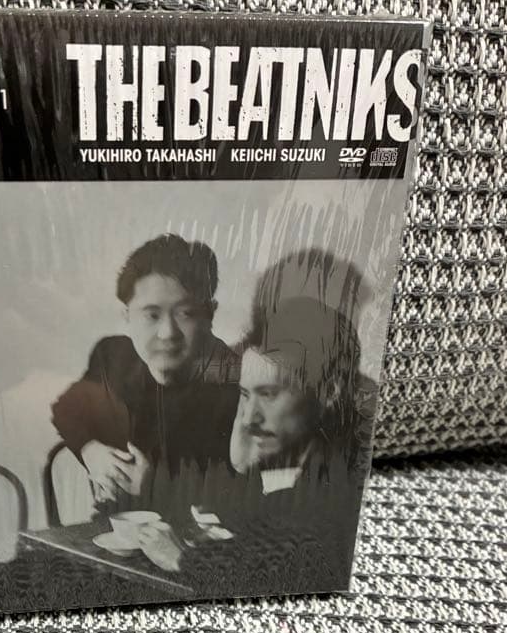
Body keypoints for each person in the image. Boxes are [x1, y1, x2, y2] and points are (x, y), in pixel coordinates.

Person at [136, 294, 369, 596]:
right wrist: (242, 458)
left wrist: (181, 559)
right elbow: (267, 523)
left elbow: (291, 570)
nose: (248, 418)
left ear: (329, 391)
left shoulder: (349, 469)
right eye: (245, 395)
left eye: (269, 395)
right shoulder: (297, 448)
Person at [51, 234, 239, 509]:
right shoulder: (113, 356)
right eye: (151, 315)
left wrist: (155, 488)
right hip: (123, 524)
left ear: (209, 314)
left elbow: (242, 495)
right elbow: (67, 409)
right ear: (127, 317)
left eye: (186, 313)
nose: (167, 333)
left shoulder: (235, 380)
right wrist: (91, 450)